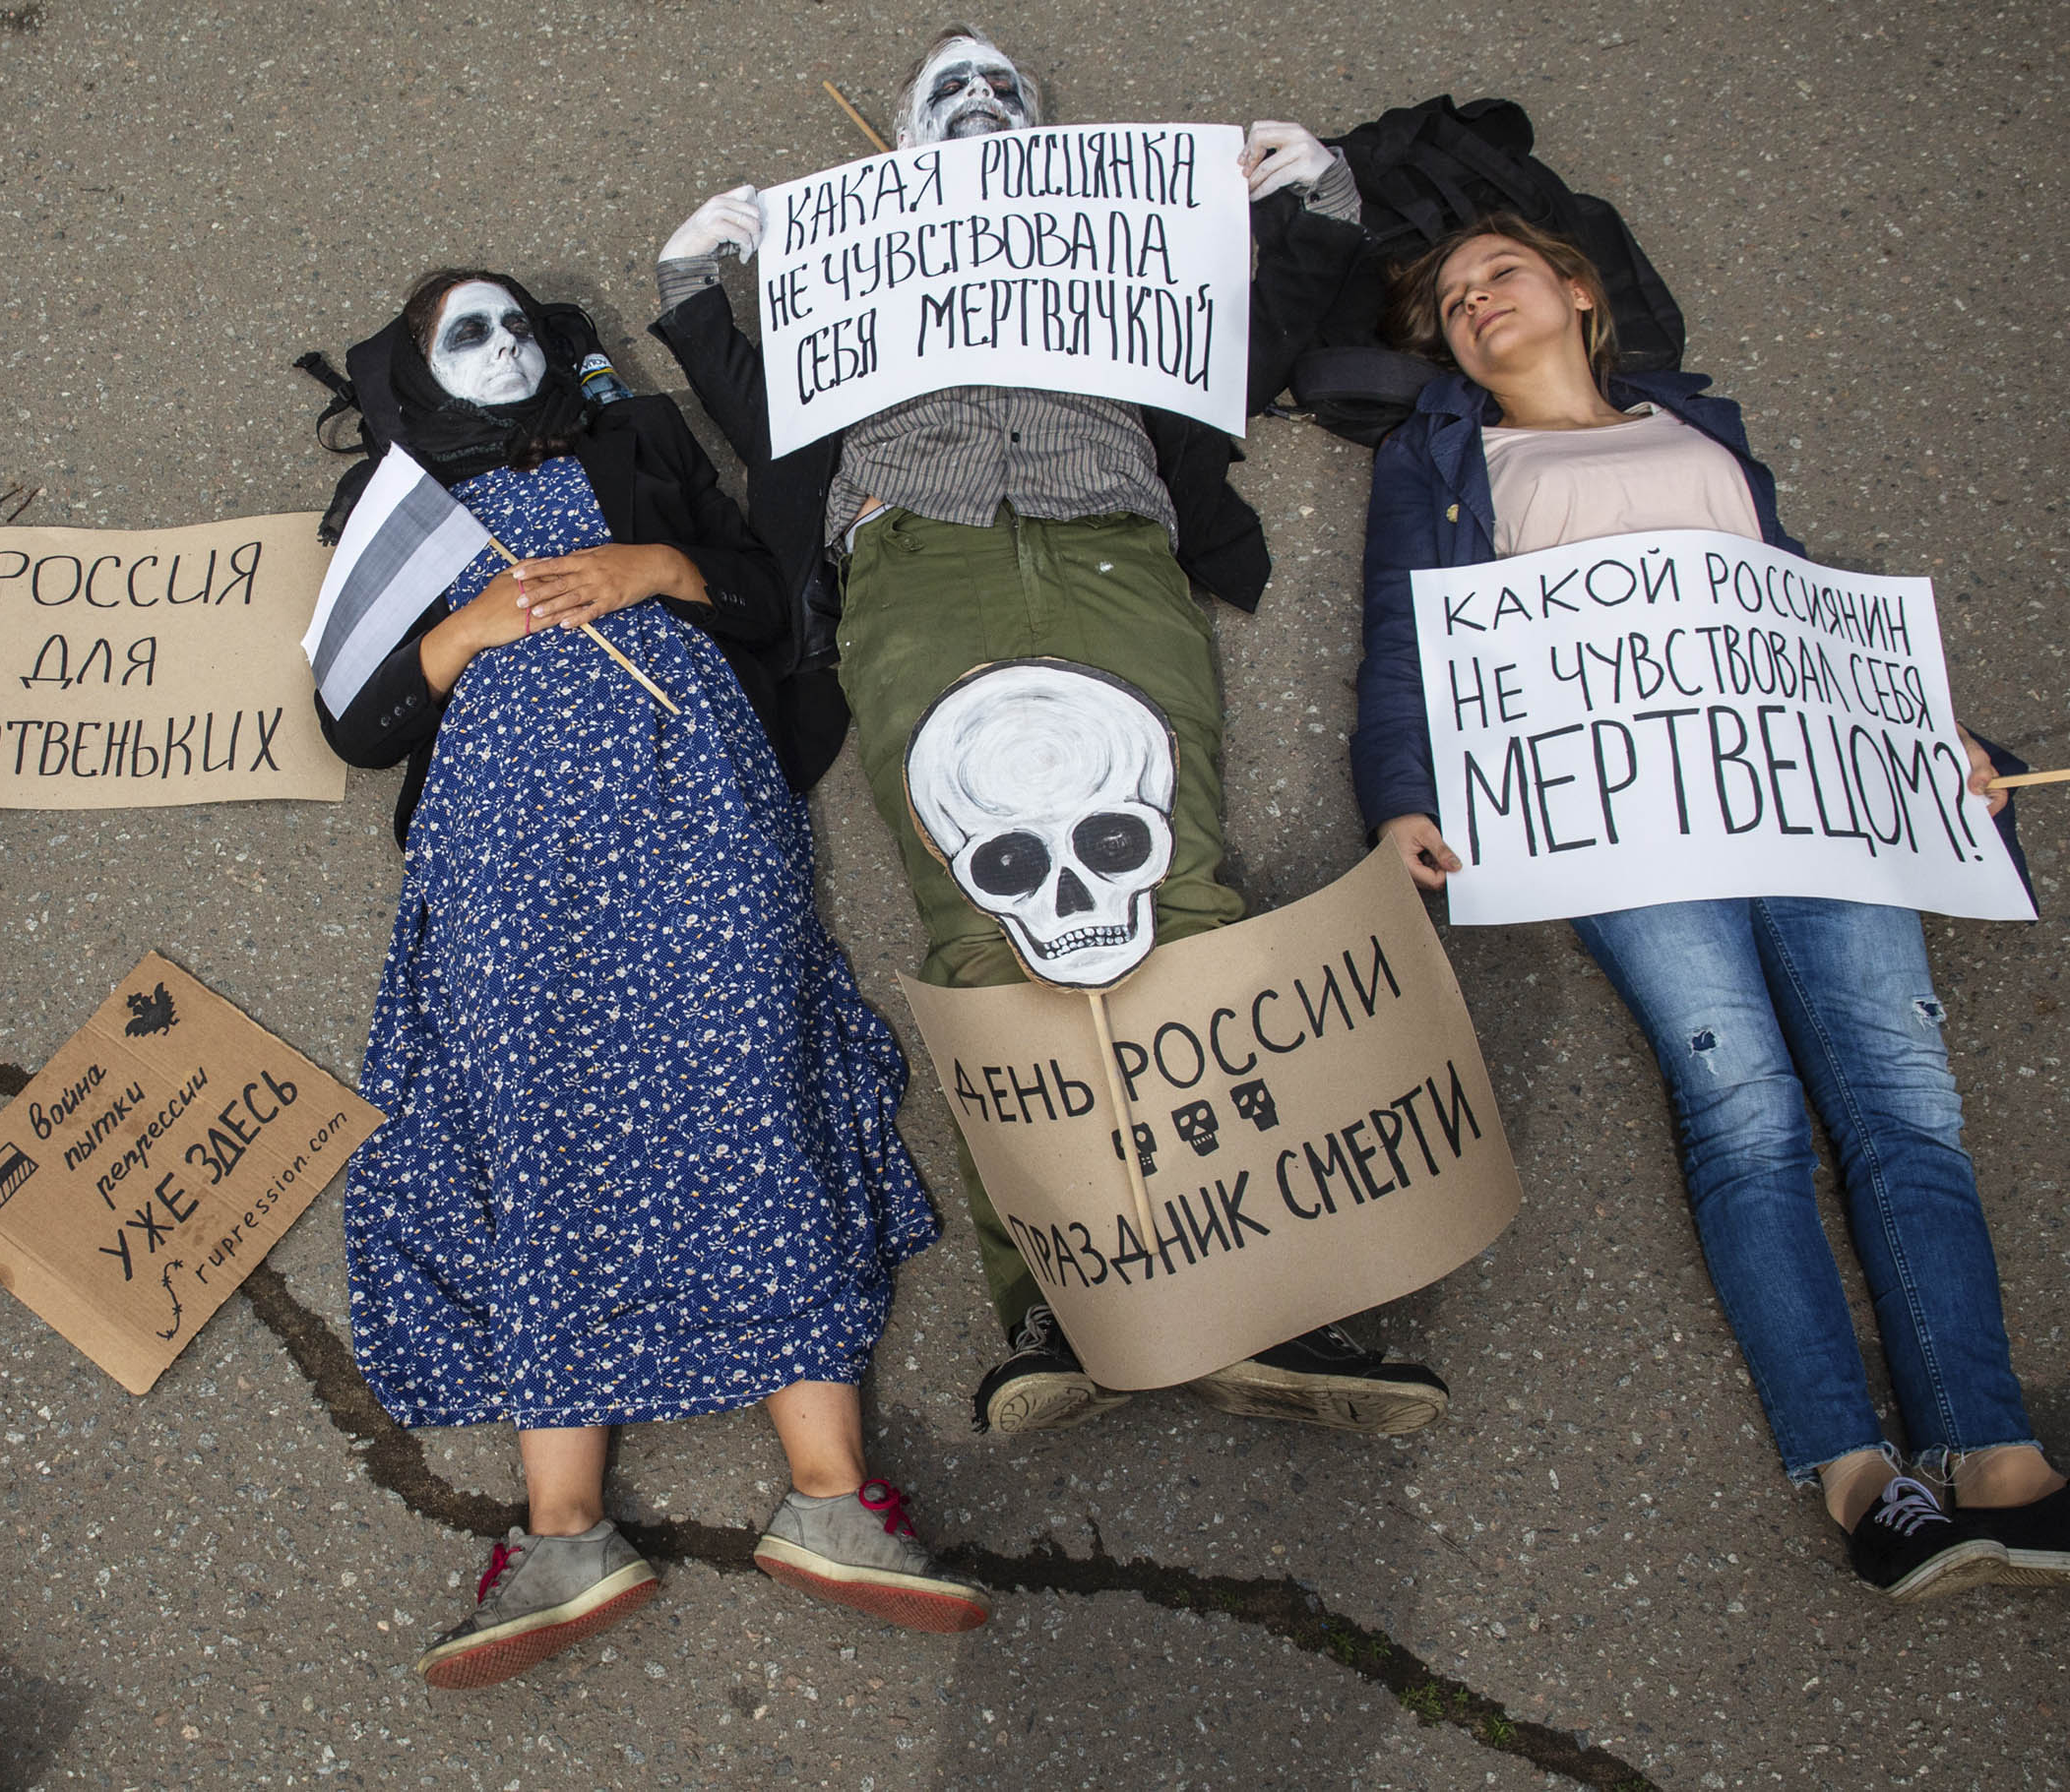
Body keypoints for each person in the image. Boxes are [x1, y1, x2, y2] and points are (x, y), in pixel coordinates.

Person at [648, 26, 1451, 1438]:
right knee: (984, 918)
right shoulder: (856, 267)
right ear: (906, 134)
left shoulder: (1111, 249)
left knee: (1179, 893)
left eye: (1003, 86)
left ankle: (1266, 1301)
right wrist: (688, 287)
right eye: (950, 86)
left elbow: (1247, 339)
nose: (979, 97)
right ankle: (1063, 1307)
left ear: (1040, 124)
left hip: (1109, 549)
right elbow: (766, 416)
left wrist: (1318, 199)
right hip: (916, 563)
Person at [1349, 214, 2066, 1600]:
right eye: (1452, 299)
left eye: (1501, 272)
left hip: (1809, 786)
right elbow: (1402, 636)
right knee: (1745, 1110)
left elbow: (1795, 604)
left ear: (1576, 291)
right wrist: (1401, 792)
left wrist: (1937, 738)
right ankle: (1855, 1469)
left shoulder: (1694, 425)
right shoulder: (1441, 460)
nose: (1476, 299)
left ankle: (1998, 1458)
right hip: (1622, 817)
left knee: (1907, 1103)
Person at [318, 270, 982, 1689]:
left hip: (693, 805)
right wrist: (467, 630)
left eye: (518, 322)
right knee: (536, 1117)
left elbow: (771, 598)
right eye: (467, 332)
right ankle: (563, 1531)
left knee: (750, 1083)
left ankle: (832, 1497)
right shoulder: (392, 502)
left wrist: (657, 569)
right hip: (506, 841)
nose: (504, 346)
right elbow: (356, 720)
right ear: (415, 371)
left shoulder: (641, 441)